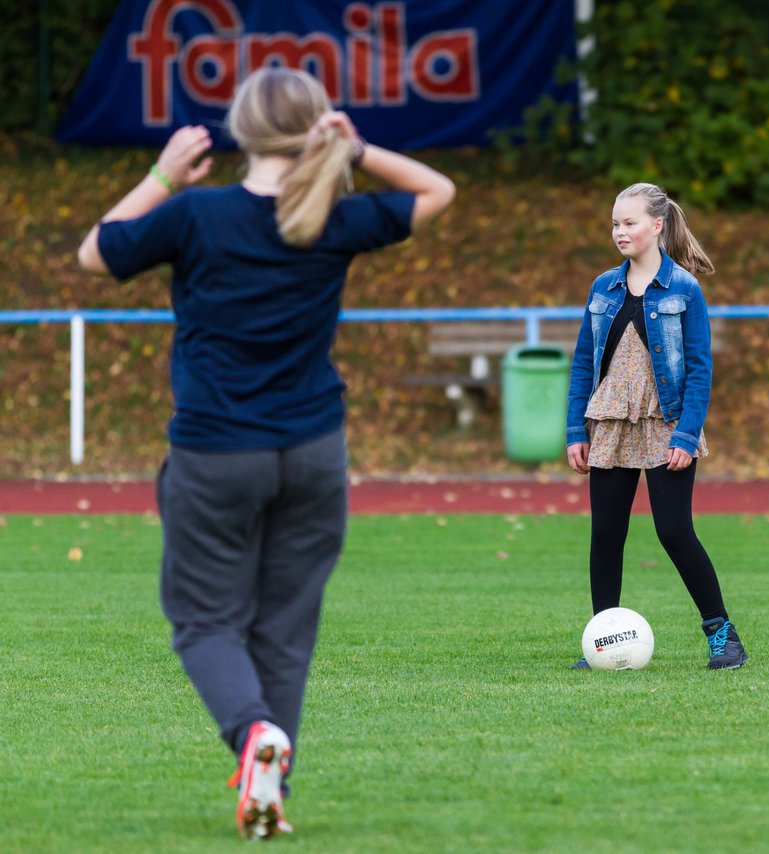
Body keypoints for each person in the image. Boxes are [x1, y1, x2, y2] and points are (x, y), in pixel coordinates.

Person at [76, 67, 455, 839]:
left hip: (217, 452)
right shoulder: (332, 218)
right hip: (313, 453)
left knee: (204, 622)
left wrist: (159, 175)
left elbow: (96, 252)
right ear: (318, 129)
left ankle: (254, 737)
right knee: (284, 631)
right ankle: (270, 786)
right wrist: (357, 148)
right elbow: (437, 190)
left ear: (239, 131)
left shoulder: (196, 214)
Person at [566, 182, 748, 671]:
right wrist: (575, 430)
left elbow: (700, 366)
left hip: (665, 424)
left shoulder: (684, 289)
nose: (619, 232)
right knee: (606, 532)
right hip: (609, 421)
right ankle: (603, 638)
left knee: (674, 531)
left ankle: (722, 633)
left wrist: (687, 434)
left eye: (628, 223)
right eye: (614, 224)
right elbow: (584, 362)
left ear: (657, 226)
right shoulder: (602, 287)